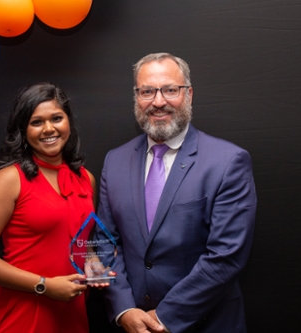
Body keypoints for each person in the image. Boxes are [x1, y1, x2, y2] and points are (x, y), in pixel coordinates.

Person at [97, 53, 257, 333]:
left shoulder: (228, 161)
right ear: (137, 97)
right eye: (147, 91)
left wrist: (164, 318)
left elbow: (226, 255)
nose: (158, 101)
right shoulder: (115, 161)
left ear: (189, 94)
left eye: (170, 89)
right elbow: (105, 242)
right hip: (132, 324)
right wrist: (123, 309)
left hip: (208, 324)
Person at [0, 83, 105, 333]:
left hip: (73, 312)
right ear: (23, 130)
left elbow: (80, 238)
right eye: (36, 122)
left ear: (68, 122)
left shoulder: (86, 179)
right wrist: (44, 285)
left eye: (56, 118)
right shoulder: (9, 180)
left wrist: (91, 259)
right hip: (24, 313)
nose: (49, 129)